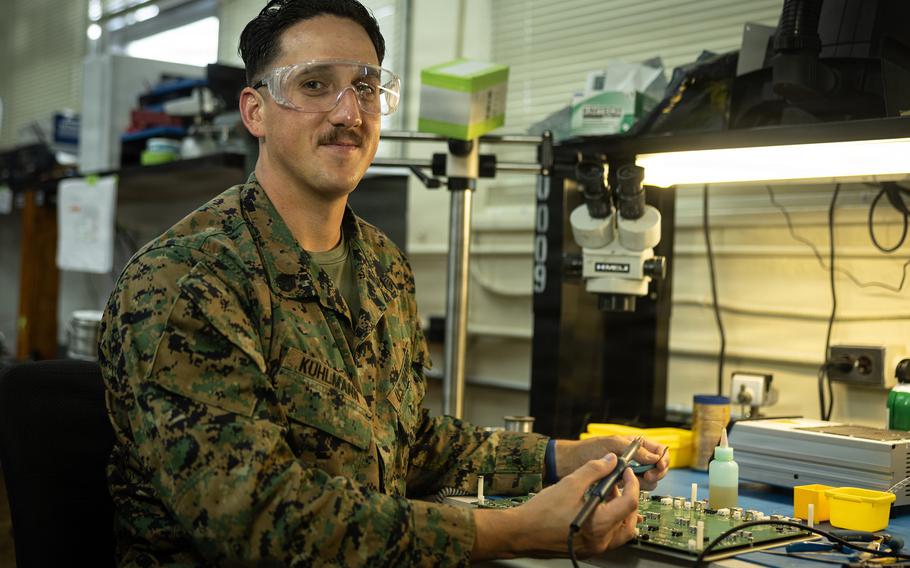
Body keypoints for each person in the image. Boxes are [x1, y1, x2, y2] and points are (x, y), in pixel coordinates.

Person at [98, 1, 670, 566]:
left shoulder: (381, 264)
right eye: (316, 85)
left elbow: (405, 444)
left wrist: (563, 457)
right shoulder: (187, 282)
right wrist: (513, 530)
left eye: (366, 89)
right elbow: (260, 520)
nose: (349, 113)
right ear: (256, 112)